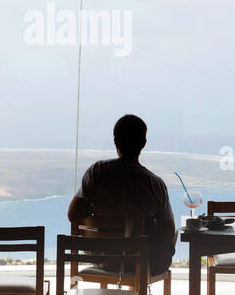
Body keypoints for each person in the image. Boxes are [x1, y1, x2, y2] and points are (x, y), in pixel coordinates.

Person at [67, 114, 176, 276]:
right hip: (143, 264)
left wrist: (99, 213)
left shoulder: (96, 172)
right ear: (143, 144)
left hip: (102, 260)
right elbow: (168, 232)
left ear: (115, 141)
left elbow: (73, 214)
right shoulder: (155, 184)